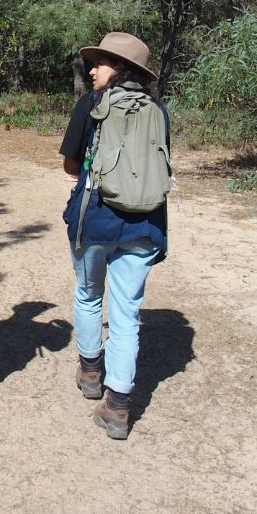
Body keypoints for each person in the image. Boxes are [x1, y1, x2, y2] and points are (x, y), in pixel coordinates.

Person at [59, 32, 170, 440]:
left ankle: (91, 372)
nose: (92, 69)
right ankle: (118, 406)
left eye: (101, 62)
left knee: (89, 294)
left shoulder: (91, 105)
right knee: (127, 314)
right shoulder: (158, 111)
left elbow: (71, 166)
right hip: (145, 226)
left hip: (96, 221)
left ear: (121, 69)